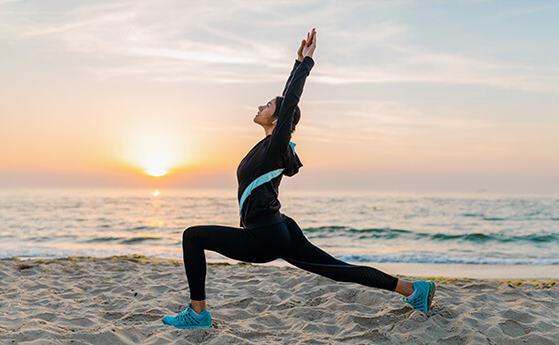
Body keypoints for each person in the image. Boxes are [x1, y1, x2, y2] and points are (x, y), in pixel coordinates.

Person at [162, 29, 434, 329]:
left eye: (266, 106)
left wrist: (307, 63)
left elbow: (289, 100)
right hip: (280, 228)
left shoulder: (276, 145)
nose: (259, 107)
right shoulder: (269, 145)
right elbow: (285, 99)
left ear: (278, 120)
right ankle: (413, 289)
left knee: (192, 236)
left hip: (264, 235)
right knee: (338, 270)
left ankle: (198, 314)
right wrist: (296, 61)